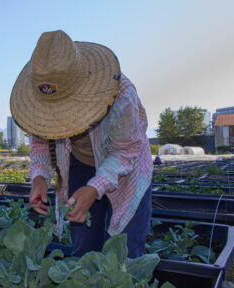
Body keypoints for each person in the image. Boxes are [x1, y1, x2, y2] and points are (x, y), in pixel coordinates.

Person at [10, 30, 153, 258]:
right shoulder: (41, 97)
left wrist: (95, 188)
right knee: (83, 247)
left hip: (127, 168)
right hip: (79, 164)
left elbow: (125, 151)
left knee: (124, 250)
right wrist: (39, 178)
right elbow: (39, 139)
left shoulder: (121, 95)